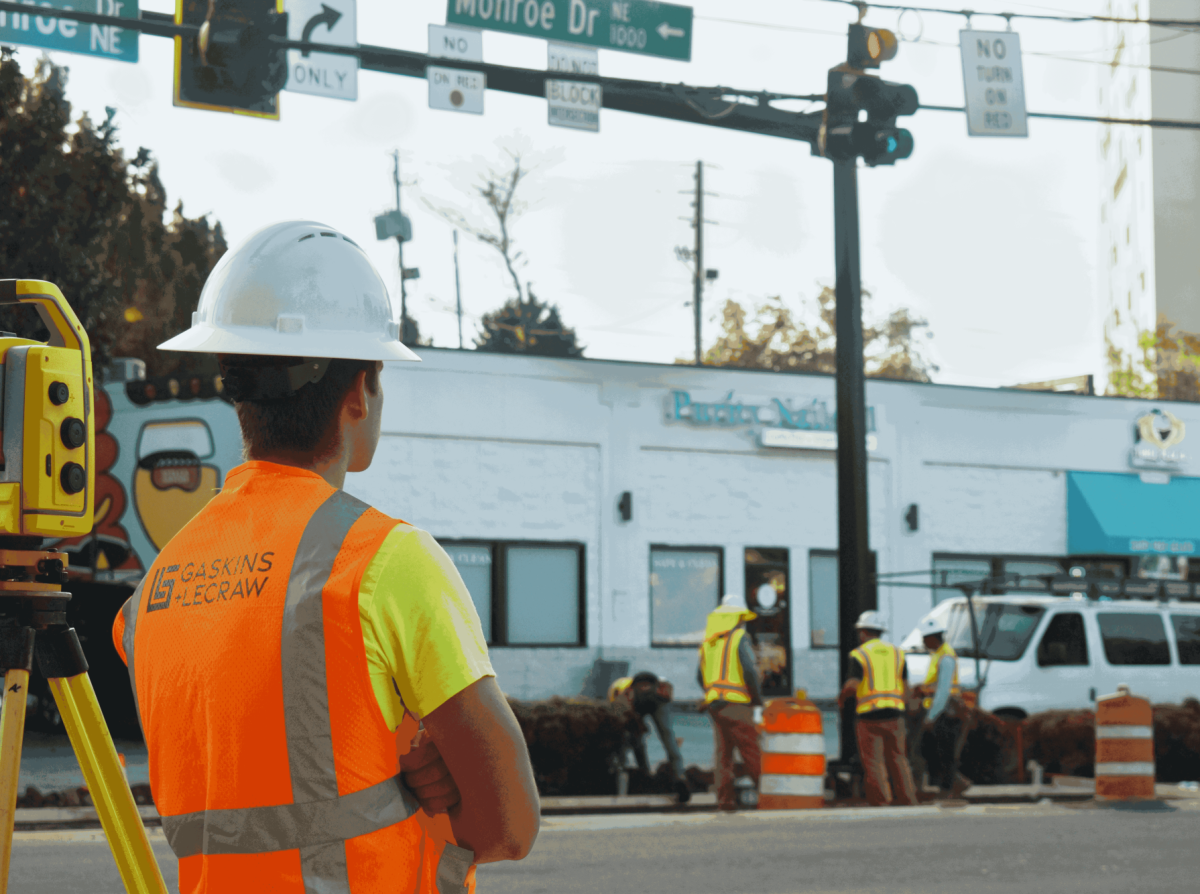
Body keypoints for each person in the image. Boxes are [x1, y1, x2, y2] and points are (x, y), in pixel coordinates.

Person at [111, 220, 540, 893]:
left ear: (236, 389)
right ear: (359, 391)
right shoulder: (385, 560)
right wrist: (434, 779)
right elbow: (509, 828)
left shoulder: (151, 595)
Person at [837, 610, 918, 807]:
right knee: (899, 759)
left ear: (863, 632)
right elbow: (906, 686)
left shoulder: (860, 654)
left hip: (868, 716)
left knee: (874, 762)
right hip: (895, 714)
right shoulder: (898, 653)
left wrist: (841, 699)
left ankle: (882, 801)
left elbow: (853, 685)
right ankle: (908, 799)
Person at [697, 593, 763, 811]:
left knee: (723, 755)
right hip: (736, 704)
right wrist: (757, 700)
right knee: (751, 750)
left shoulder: (709, 643)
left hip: (716, 705)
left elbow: (700, 676)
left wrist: (713, 692)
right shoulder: (739, 638)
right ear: (738, 617)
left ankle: (725, 801)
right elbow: (750, 672)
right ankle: (768, 797)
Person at [608, 671, 691, 802]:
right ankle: (680, 777)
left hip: (637, 699)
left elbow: (622, 723)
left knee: (631, 738)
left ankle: (640, 773)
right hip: (657, 697)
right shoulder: (659, 687)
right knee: (667, 737)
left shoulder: (620, 693)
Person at [914, 616, 972, 798]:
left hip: (946, 713)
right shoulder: (939, 655)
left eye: (925, 638)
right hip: (942, 711)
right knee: (934, 750)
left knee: (945, 753)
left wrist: (931, 717)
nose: (923, 642)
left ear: (933, 638)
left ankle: (949, 788)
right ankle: (954, 784)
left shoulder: (945, 657)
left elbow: (943, 692)